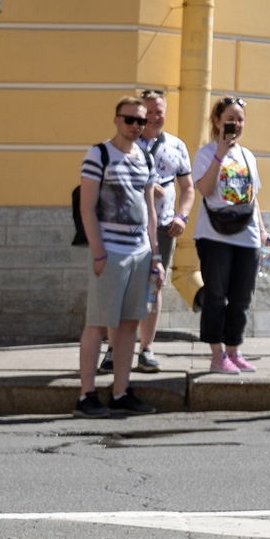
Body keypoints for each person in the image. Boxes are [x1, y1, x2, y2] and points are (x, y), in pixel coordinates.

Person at [77, 95, 164, 417]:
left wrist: (155, 255)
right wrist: (99, 253)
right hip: (110, 252)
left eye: (141, 121)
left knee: (129, 325)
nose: (136, 126)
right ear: (116, 120)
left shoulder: (146, 157)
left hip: (140, 252)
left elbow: (150, 212)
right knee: (97, 324)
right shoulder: (99, 153)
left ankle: (120, 391)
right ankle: (86, 396)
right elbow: (86, 207)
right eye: (130, 120)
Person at [191, 95, 270, 374]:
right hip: (214, 235)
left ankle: (234, 351)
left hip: (247, 235)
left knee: (242, 298)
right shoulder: (205, 153)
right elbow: (204, 189)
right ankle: (217, 357)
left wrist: (262, 233)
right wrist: (220, 154)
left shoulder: (248, 156)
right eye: (230, 119)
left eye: (240, 119)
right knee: (216, 295)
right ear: (217, 121)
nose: (236, 124)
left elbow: (254, 198)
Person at [131, 88, 192, 374]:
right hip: (129, 228)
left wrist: (183, 216)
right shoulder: (126, 144)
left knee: (154, 286)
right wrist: (142, 185)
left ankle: (146, 349)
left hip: (166, 227)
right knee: (123, 288)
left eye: (160, 112)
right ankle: (113, 349)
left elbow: (188, 188)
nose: (155, 118)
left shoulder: (177, 146)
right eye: (149, 112)